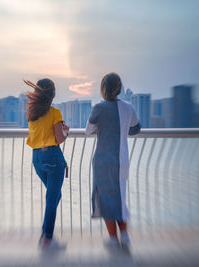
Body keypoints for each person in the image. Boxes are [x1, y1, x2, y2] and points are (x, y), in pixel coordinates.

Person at [85, 73, 141, 250]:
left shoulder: (98, 108)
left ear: (103, 88)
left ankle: (113, 238)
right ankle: (124, 236)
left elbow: (88, 131)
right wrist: (122, 128)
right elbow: (136, 129)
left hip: (103, 160)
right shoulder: (128, 107)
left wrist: (102, 128)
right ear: (119, 88)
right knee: (120, 196)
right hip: (121, 160)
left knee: (105, 198)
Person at [24, 78, 69, 251]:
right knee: (52, 198)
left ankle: (45, 233)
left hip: (37, 159)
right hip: (52, 158)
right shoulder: (55, 113)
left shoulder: (32, 114)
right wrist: (67, 131)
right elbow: (59, 139)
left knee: (54, 197)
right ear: (52, 94)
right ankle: (47, 239)